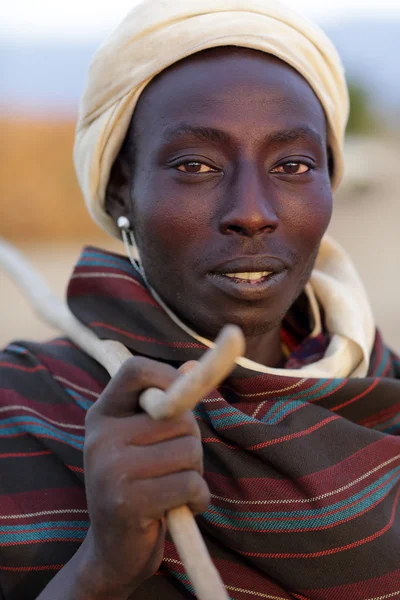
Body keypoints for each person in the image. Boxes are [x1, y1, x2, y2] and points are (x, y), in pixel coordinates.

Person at [1, 1, 399, 599]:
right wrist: (100, 571)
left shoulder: (380, 396)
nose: (252, 213)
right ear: (119, 192)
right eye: (195, 164)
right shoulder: (18, 411)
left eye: (293, 164)